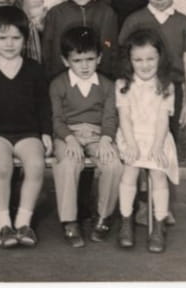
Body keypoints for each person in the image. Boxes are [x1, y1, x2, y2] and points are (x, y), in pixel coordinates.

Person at [119, 0, 186, 226]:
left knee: (164, 146)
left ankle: (163, 205)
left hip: (170, 93)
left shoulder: (184, 22)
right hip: (140, 94)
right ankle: (143, 204)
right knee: (140, 146)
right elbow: (124, 58)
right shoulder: (135, 19)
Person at [0, 6, 52, 248]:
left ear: (26, 38)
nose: (9, 44)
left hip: (27, 133)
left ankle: (23, 222)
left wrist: (46, 132)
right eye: (2, 38)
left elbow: (43, 104)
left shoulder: (34, 68)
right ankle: (3, 224)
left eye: (16, 38)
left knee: (36, 165)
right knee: (2, 166)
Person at [50, 26, 123, 248]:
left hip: (97, 134)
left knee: (113, 164)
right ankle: (69, 220)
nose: (84, 66)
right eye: (77, 60)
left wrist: (106, 139)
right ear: (66, 61)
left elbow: (110, 117)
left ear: (99, 58)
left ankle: (104, 216)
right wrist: (69, 138)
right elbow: (56, 119)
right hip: (67, 134)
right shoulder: (58, 84)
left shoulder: (107, 85)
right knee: (68, 163)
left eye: (90, 59)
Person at [116, 29, 179, 253]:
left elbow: (163, 120)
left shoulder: (166, 85)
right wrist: (131, 144)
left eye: (151, 59)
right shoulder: (123, 84)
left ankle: (159, 225)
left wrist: (157, 146)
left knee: (158, 173)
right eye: (138, 60)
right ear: (129, 60)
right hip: (132, 135)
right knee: (130, 170)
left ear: (160, 57)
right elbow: (124, 118)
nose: (145, 65)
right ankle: (126, 221)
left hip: (157, 137)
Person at [42, 0, 118, 81]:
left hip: (100, 82)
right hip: (63, 82)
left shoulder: (107, 13)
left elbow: (112, 52)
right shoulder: (55, 14)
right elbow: (48, 54)